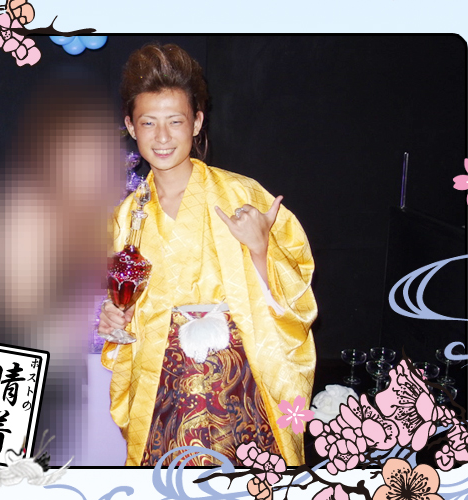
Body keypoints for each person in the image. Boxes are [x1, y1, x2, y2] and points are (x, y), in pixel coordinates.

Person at [98, 43, 317, 467]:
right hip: (164, 384)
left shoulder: (241, 195)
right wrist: (116, 317)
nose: (162, 137)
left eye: (175, 121)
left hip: (238, 381)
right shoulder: (127, 216)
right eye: (148, 122)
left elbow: (296, 297)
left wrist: (260, 247)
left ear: (197, 122)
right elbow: (131, 304)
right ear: (131, 126)